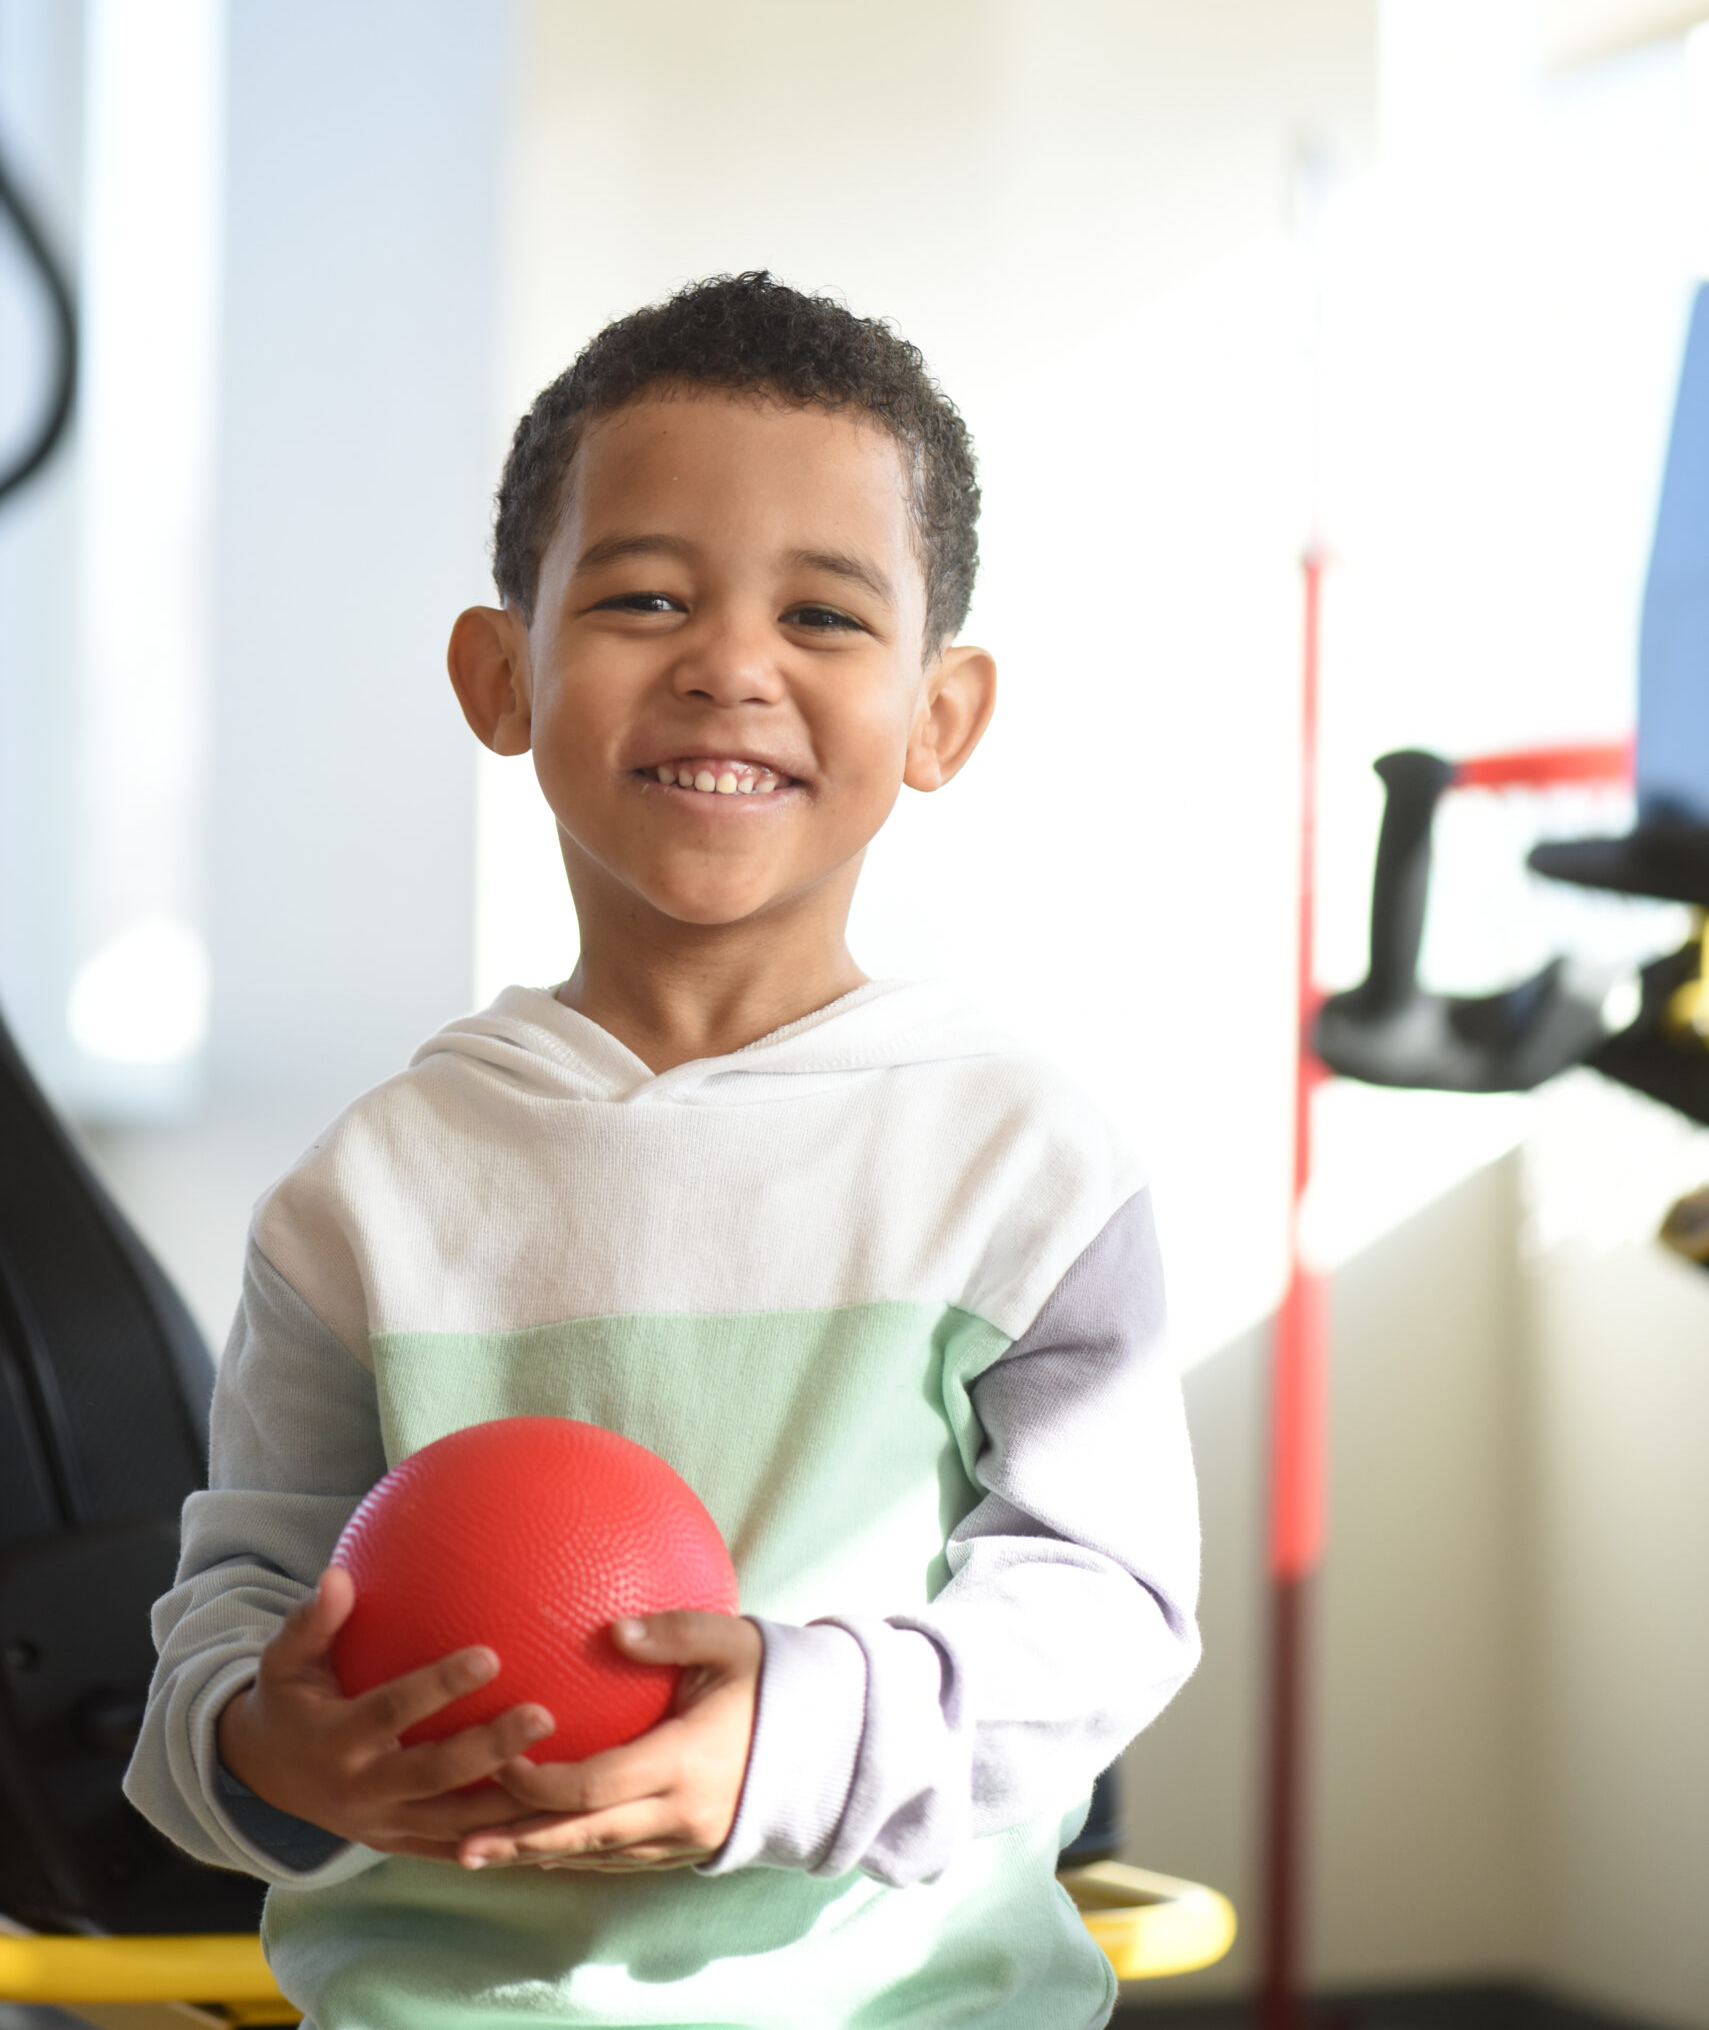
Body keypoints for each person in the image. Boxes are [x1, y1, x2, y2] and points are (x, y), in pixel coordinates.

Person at [126, 271, 1201, 2030]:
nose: (729, 665)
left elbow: (1103, 1611)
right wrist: (273, 1745)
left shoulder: (1021, 1165)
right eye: (640, 595)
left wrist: (793, 1735)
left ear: (940, 715)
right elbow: (232, 1615)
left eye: (827, 618)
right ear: (501, 673)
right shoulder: (367, 1198)